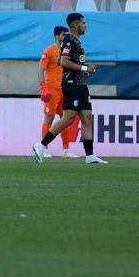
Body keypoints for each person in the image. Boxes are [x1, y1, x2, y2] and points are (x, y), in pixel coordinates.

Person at [33, 12, 108, 164]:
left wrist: (84, 72)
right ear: (75, 25)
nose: (85, 26)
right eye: (83, 23)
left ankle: (90, 155)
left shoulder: (76, 41)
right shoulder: (68, 41)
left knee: (87, 118)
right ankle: (40, 145)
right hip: (71, 85)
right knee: (68, 119)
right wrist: (85, 68)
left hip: (80, 85)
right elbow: (64, 62)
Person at [37, 25, 79, 155]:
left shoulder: (68, 51)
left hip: (65, 90)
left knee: (65, 119)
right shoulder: (49, 51)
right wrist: (43, 87)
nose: (66, 37)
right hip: (52, 91)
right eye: (63, 35)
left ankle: (66, 150)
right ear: (57, 36)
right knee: (49, 118)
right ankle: (43, 149)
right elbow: (41, 70)